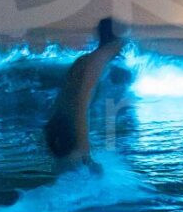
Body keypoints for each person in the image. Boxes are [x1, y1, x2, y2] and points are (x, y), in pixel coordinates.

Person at [44, 17, 127, 173]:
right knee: (76, 184)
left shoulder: (84, 60)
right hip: (67, 132)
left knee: (67, 182)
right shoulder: (97, 61)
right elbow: (81, 105)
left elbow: (61, 100)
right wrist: (87, 156)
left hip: (57, 127)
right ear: (118, 39)